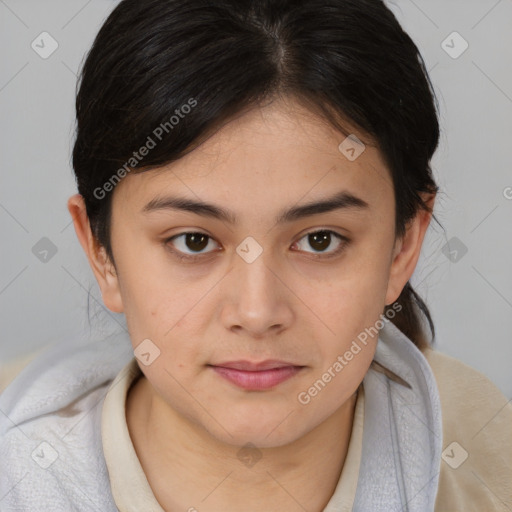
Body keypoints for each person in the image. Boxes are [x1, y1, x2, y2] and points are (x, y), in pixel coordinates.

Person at [1, 0, 510, 510]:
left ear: (403, 247)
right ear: (100, 252)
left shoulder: (489, 464)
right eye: (193, 241)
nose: (256, 312)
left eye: (320, 240)